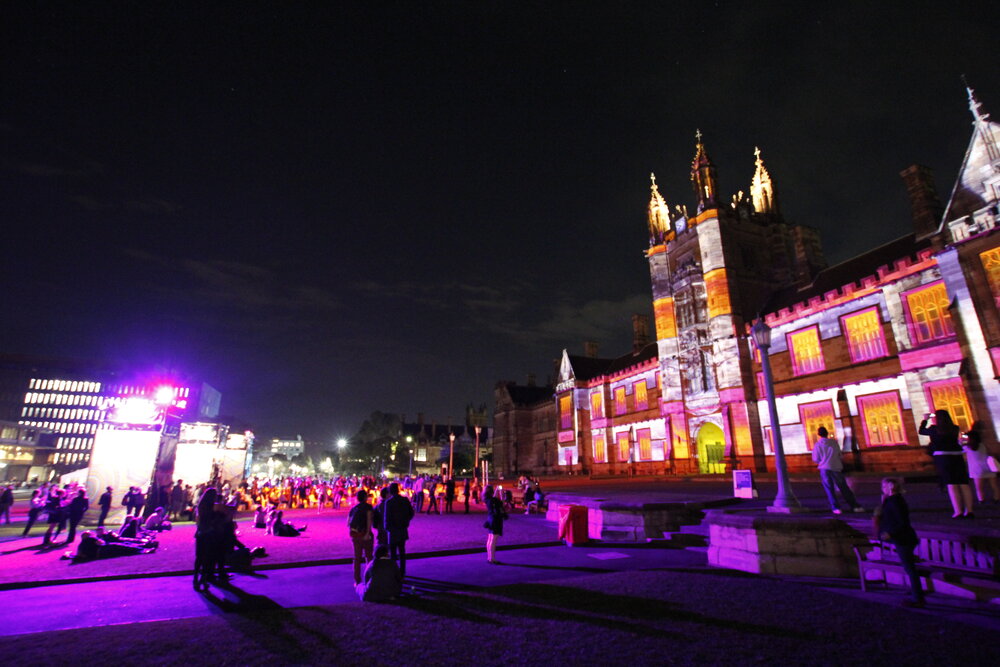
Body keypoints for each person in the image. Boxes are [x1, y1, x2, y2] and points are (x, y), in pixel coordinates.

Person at [874, 477, 925, 607]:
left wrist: (890, 533)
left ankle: (918, 598)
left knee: (910, 569)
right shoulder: (893, 500)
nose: (882, 488)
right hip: (903, 538)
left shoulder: (895, 502)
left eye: (884, 486)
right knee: (909, 568)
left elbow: (902, 522)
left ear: (890, 487)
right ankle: (916, 593)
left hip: (903, 539)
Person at [920, 410, 974, 518]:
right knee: (963, 484)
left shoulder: (934, 429)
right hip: (957, 456)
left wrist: (925, 419)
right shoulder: (955, 428)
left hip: (943, 457)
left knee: (952, 485)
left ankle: (958, 511)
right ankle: (969, 511)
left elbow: (921, 431)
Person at [811, 426, 863, 514]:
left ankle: (836, 508)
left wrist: (823, 460)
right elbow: (839, 455)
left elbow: (815, 458)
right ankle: (855, 506)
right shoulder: (834, 443)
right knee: (844, 488)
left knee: (829, 489)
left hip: (824, 468)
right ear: (827, 433)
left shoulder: (818, 445)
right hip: (836, 467)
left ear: (819, 434)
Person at [382, 482, 415, 579]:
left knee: (393, 553)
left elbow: (386, 517)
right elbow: (411, 512)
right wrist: (406, 521)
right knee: (402, 551)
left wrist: (387, 528)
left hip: (392, 530)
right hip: (402, 528)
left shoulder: (389, 502)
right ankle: (402, 571)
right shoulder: (404, 500)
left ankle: (394, 572)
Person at [962, 421, 1000, 503]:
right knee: (994, 485)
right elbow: (990, 452)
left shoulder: (968, 448)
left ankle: (981, 499)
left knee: (979, 487)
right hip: (988, 466)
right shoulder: (983, 445)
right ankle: (997, 498)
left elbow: (962, 454)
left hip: (976, 469)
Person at [348, 489, 375, 585]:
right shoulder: (368, 507)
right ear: (365, 497)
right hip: (365, 534)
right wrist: (367, 533)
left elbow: (348, 522)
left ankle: (357, 579)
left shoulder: (354, 508)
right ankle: (369, 578)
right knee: (369, 557)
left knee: (357, 557)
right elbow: (369, 520)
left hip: (355, 535)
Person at [483, 485, 507, 564]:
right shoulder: (494, 500)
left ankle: (489, 557)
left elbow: (494, 499)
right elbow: (502, 502)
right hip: (496, 520)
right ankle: (493, 558)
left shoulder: (487, 499)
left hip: (490, 519)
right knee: (494, 539)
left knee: (490, 538)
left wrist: (496, 490)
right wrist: (501, 492)